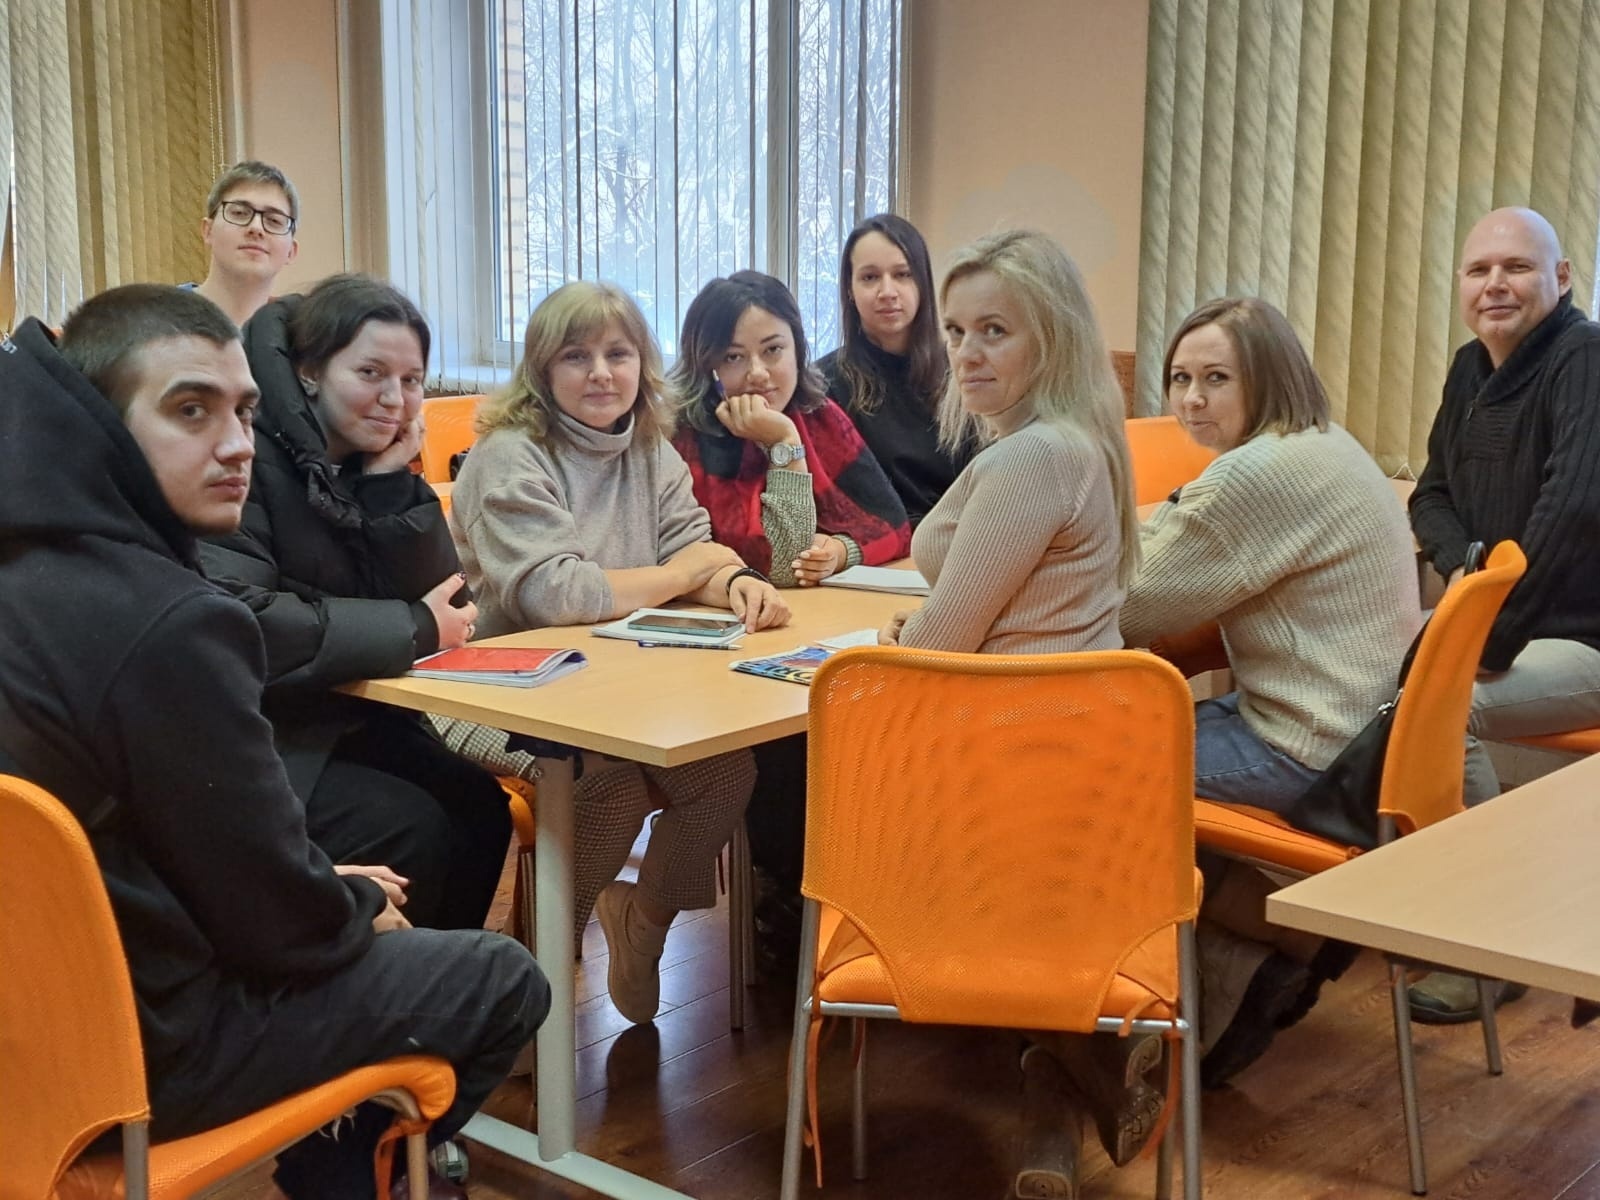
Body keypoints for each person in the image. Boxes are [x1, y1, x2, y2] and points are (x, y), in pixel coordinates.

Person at [0, 285, 547, 1200]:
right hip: (144, 1049)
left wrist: (321, 883)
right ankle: (344, 1174)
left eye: (246, 412)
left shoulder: (30, 568)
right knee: (500, 978)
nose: (236, 445)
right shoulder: (169, 619)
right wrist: (346, 902)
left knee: (433, 817)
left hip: (32, 1024)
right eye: (190, 410)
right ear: (100, 417)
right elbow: (276, 923)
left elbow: (160, 842)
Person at [877, 229, 1144, 1199]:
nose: (968, 353)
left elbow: (945, 643)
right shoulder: (1070, 440)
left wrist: (905, 636)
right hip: (1070, 756)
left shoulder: (1034, 456)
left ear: (1052, 336)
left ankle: (1069, 1065)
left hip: (1007, 768)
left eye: (996, 330)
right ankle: (1068, 1076)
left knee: (793, 779)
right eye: (956, 332)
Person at [449, 280, 789, 1025]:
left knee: (728, 771)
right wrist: (682, 575)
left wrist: (734, 582)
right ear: (542, 369)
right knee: (606, 786)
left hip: (616, 685)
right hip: (491, 690)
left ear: (643, 364)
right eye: (577, 356)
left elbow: (692, 547)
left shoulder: (648, 447)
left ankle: (643, 919)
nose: (602, 373)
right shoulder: (508, 454)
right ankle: (532, 987)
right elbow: (556, 594)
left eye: (618, 353)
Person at [1119, 296, 1421, 1088]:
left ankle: (1204, 979)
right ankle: (1248, 952)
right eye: (1180, 378)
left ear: (1268, 376)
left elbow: (1133, 604)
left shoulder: (1257, 474)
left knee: (1094, 775)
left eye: (1217, 379)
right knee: (1149, 729)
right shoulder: (1324, 443)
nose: (1191, 399)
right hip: (1367, 736)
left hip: (1309, 746)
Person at [199, 273, 513, 935]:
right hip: (254, 736)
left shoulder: (363, 462)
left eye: (411, 379)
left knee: (479, 808)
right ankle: (369, 990)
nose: (394, 399)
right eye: (370, 373)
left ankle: (443, 988)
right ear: (310, 371)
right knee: (412, 828)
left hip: (344, 715)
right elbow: (244, 620)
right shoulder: (245, 454)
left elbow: (449, 604)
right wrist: (411, 626)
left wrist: (391, 487)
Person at [1406, 206, 1600, 1021]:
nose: (1495, 284)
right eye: (1479, 269)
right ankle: (1424, 915)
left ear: (1561, 278)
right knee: (1399, 698)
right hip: (1503, 623)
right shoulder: (1469, 369)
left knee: (1445, 710)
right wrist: (1466, 570)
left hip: (1585, 640)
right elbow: (1431, 496)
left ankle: (1490, 947)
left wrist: (1490, 631)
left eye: (1516, 267)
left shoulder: (1584, 357)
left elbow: (1575, 509)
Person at [668, 269, 911, 589]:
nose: (757, 373)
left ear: (797, 349)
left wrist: (839, 552)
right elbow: (778, 566)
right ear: (707, 366)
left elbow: (894, 527)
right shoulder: (683, 437)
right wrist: (784, 442)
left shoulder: (820, 416)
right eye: (733, 357)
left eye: (772, 350)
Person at [816, 213, 971, 525]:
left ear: (922, 282)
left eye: (902, 274)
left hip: (964, 539)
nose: (887, 291)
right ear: (850, 289)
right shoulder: (824, 384)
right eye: (870, 277)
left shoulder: (964, 369)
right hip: (873, 548)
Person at [189, 160, 300, 328]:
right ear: (208, 230)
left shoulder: (303, 335)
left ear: (291, 251)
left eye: (274, 220)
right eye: (239, 213)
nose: (256, 228)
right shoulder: (157, 318)